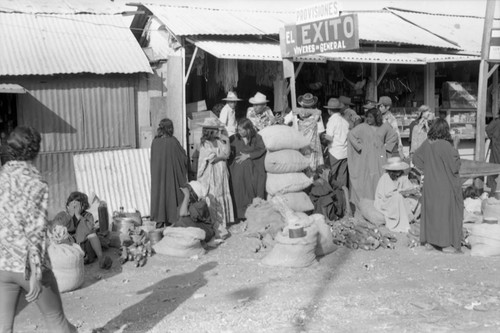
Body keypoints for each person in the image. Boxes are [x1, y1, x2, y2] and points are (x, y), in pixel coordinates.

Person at [0, 126, 76, 333]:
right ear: (35, 151)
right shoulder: (36, 183)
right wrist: (36, 271)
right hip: (26, 266)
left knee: (3, 328)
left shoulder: (1, 178)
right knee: (56, 320)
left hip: (2, 266)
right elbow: (36, 230)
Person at [413, 118, 463, 254]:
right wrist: (456, 146)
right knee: (443, 214)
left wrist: (427, 169)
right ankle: (444, 244)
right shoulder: (446, 145)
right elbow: (455, 165)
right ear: (445, 130)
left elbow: (415, 158)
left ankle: (430, 242)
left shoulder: (427, 144)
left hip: (430, 185)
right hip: (444, 185)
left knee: (431, 213)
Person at [347, 108, 399, 207]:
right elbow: (351, 135)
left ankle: (379, 202)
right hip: (366, 157)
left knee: (379, 176)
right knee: (366, 177)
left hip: (380, 157)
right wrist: (360, 147)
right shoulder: (362, 127)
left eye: (371, 117)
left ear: (377, 117)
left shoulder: (385, 127)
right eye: (367, 117)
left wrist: (387, 148)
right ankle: (367, 203)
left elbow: (393, 136)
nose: (368, 119)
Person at [53, 192, 112, 269]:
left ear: (83, 207)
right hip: (68, 247)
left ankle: (101, 258)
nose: (75, 208)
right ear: (68, 206)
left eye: (77, 206)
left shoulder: (87, 216)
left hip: (84, 247)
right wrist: (70, 216)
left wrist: (78, 216)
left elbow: (89, 230)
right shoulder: (62, 215)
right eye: (73, 205)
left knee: (92, 234)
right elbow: (57, 228)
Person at [197, 118, 234, 239]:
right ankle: (215, 223)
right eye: (215, 130)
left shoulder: (219, 141)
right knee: (213, 196)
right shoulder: (204, 144)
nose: (217, 132)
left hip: (221, 172)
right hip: (211, 174)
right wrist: (221, 156)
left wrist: (227, 141)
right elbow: (211, 159)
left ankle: (223, 222)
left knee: (221, 193)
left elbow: (227, 154)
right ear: (209, 131)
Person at [150, 118, 188, 227]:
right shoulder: (173, 142)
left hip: (158, 177)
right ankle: (171, 218)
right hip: (171, 177)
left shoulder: (155, 142)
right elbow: (183, 158)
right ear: (170, 129)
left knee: (159, 194)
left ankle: (160, 220)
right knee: (171, 194)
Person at [229, 118, 267, 221]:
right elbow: (227, 147)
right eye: (238, 129)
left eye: (242, 130)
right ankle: (240, 214)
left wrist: (249, 155)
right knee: (238, 186)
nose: (240, 132)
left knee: (253, 184)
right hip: (237, 167)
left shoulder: (256, 138)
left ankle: (253, 211)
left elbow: (261, 149)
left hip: (253, 165)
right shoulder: (234, 138)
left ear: (248, 129)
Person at [374, 157, 420, 233]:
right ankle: (401, 222)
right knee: (397, 198)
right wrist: (405, 192)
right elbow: (390, 194)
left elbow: (408, 187)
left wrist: (413, 191)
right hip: (386, 201)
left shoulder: (402, 176)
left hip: (401, 197)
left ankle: (412, 217)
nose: (399, 171)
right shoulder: (385, 177)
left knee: (415, 198)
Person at [284, 93, 325, 171]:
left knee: (300, 167)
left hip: (298, 145)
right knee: (312, 168)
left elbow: (284, 122)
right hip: (312, 147)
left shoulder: (295, 113)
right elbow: (320, 132)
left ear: (302, 103)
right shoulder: (317, 114)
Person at [324, 98, 350, 187]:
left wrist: (322, 139)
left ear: (329, 110)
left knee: (329, 175)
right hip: (344, 152)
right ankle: (343, 198)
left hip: (334, 152)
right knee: (342, 177)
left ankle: (330, 196)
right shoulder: (344, 121)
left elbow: (329, 138)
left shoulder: (332, 120)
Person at [486, 116, 500, 191]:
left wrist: (492, 137)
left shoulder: (496, 122)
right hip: (497, 148)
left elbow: (487, 130)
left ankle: (493, 191)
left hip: (497, 149)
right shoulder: (497, 122)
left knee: (494, 170)